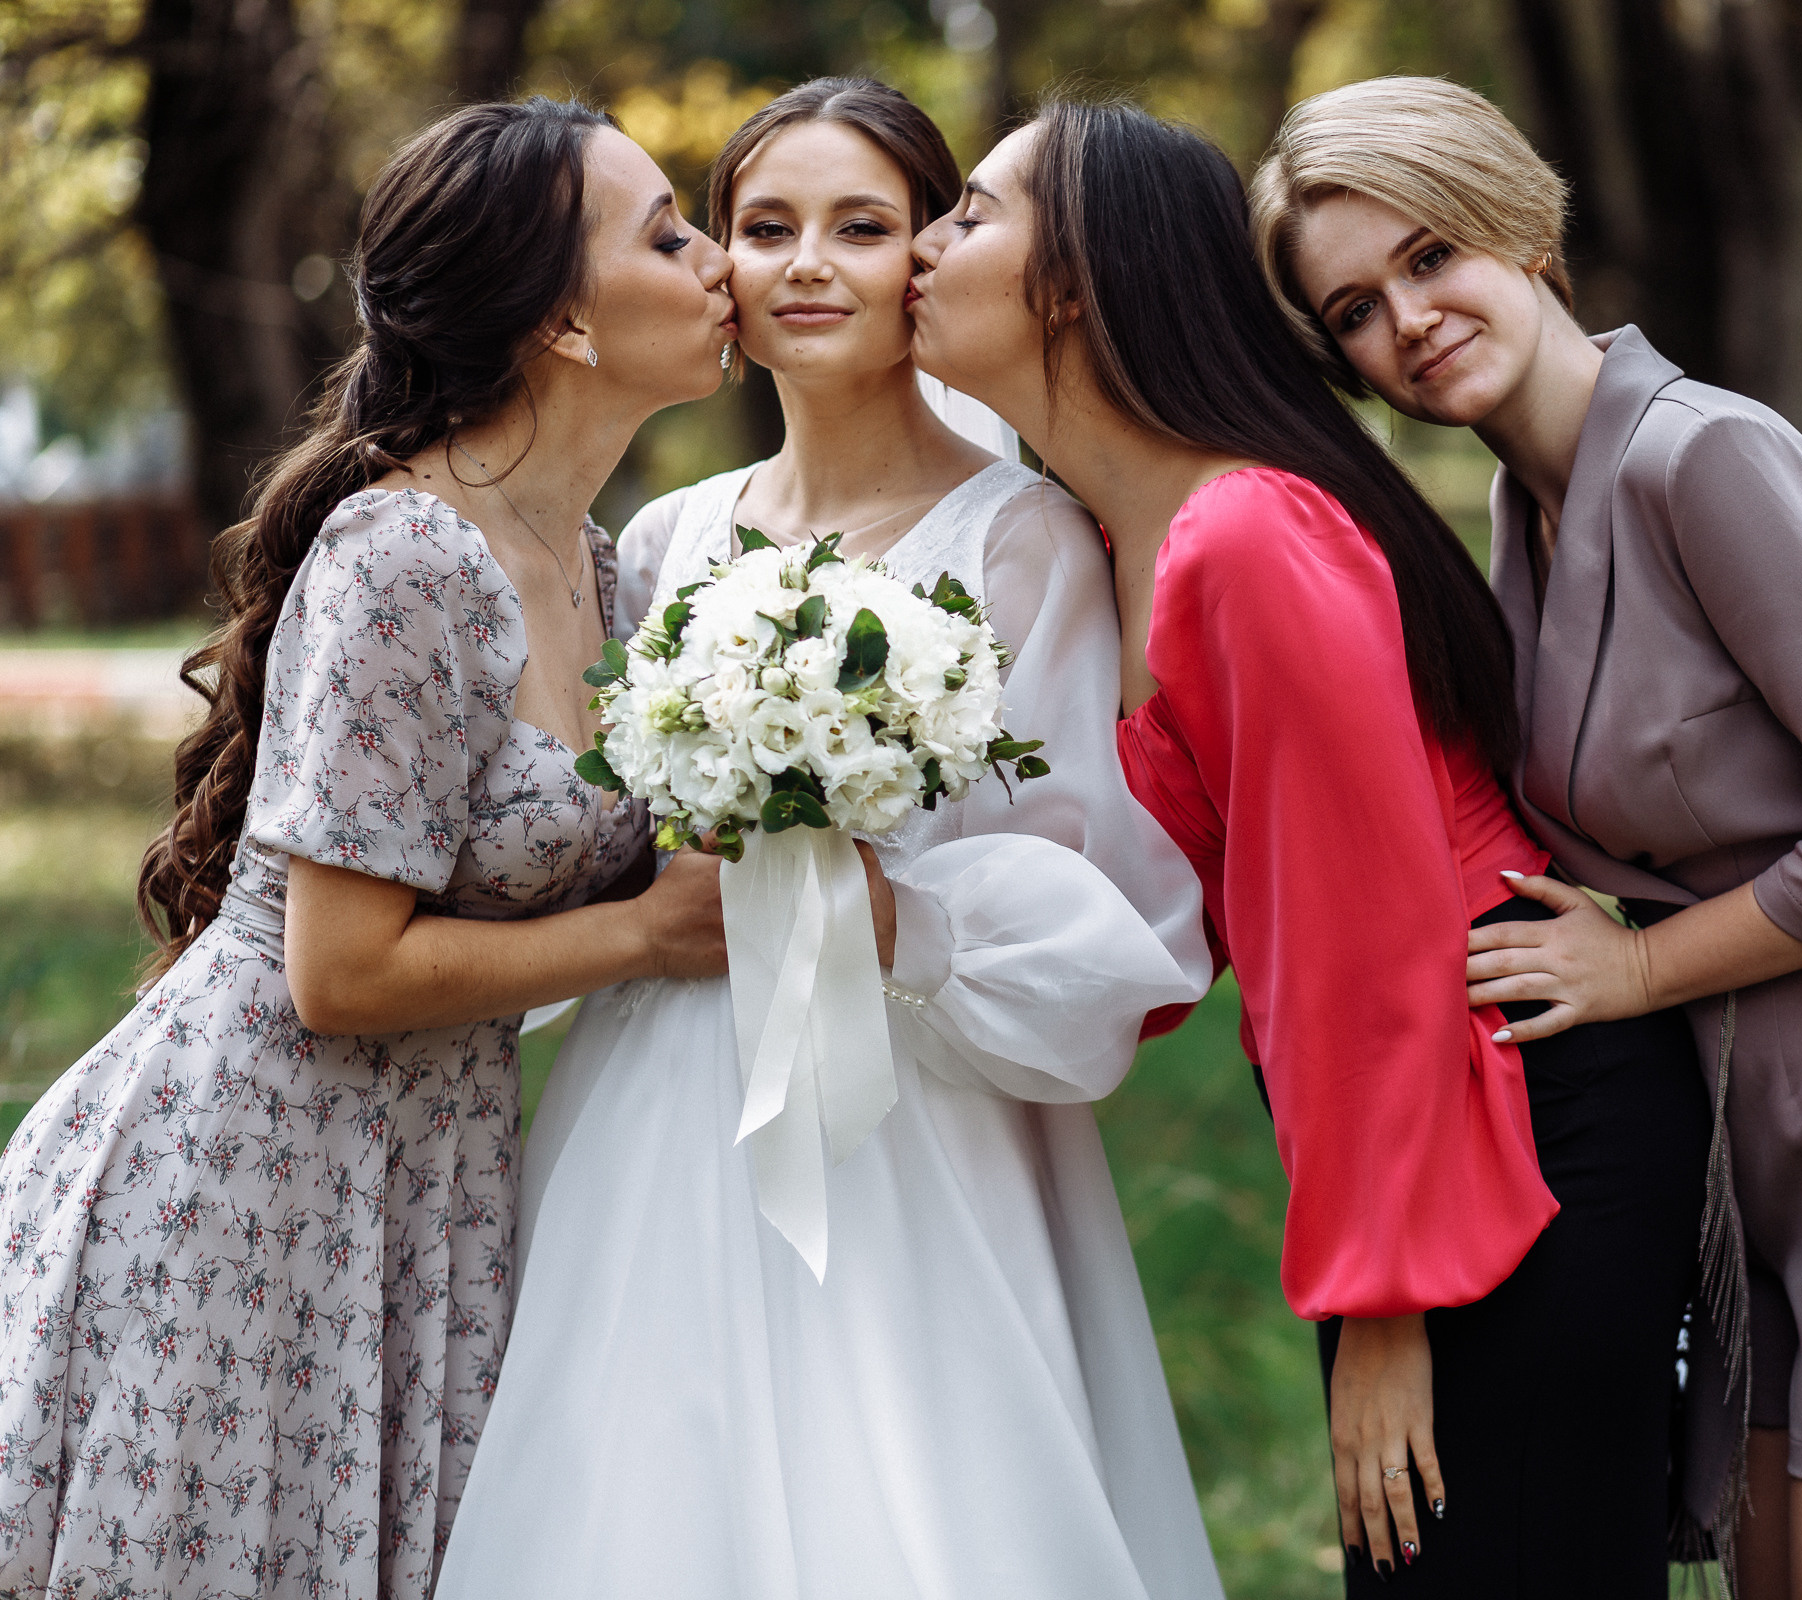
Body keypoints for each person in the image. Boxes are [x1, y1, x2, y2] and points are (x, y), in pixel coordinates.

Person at [1252, 75, 1802, 1600]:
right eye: (1356, 311)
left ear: (1522, 229)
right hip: (1742, 1167)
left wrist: (1638, 970)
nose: (1410, 320)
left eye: (1431, 254)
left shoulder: (1703, 459)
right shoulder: (1517, 521)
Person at [909, 96, 1714, 1598]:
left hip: (1507, 1105)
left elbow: (1360, 932)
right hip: (1410, 1125)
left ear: (1073, 281)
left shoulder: (1245, 538)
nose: (922, 245)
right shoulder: (1116, 542)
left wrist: (1387, 1306)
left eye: (970, 212)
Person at [432, 79, 1222, 1600]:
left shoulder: (1025, 543)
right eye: (764, 226)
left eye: (860, 227)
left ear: (926, 255)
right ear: (719, 266)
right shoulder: (665, 538)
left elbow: (1097, 891)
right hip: (664, 1085)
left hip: (915, 1112)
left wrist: (901, 920)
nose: (806, 263)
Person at [0, 98, 736, 1599]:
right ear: (562, 323)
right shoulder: (403, 557)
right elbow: (336, 971)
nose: (720, 260)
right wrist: (650, 935)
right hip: (258, 1171)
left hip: (430, 1174)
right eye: (670, 236)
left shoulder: (597, 571)